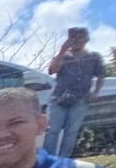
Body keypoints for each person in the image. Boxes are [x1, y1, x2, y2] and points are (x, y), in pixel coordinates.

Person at [43, 27, 107, 158]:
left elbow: (101, 75)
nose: (76, 40)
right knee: (52, 131)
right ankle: (49, 159)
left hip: (80, 99)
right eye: (73, 37)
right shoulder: (63, 56)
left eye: (80, 37)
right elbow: (52, 70)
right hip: (59, 98)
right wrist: (62, 50)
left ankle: (64, 160)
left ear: (86, 39)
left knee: (71, 132)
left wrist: (96, 92)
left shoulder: (93, 57)